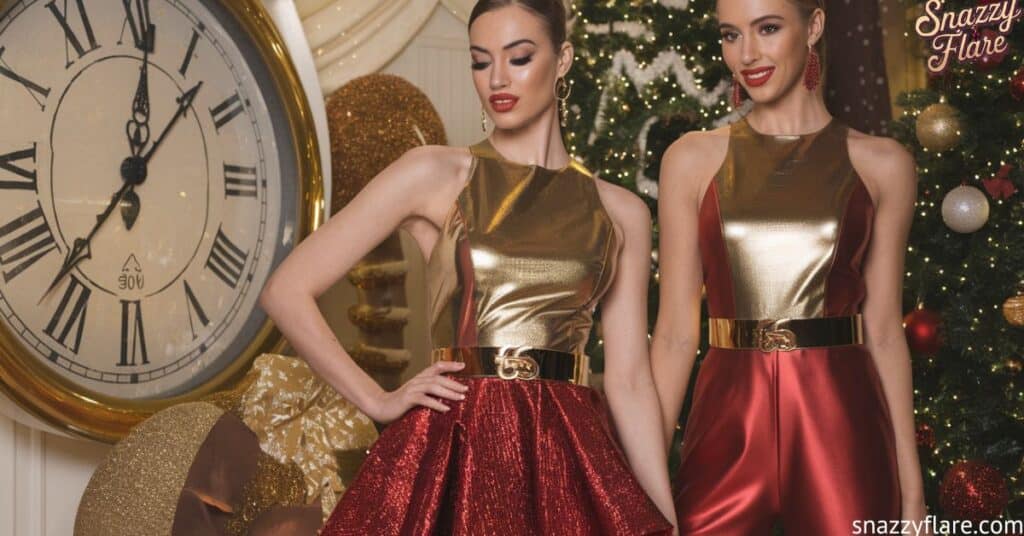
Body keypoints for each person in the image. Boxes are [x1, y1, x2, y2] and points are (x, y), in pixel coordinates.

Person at [259, 1, 676, 534]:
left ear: (564, 58)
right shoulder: (437, 172)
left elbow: (630, 382)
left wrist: (664, 518)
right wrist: (379, 400)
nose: (497, 79)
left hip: (569, 455)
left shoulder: (620, 212)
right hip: (458, 447)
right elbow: (286, 290)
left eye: (519, 57)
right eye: (481, 62)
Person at [650, 0, 927, 534]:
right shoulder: (690, 160)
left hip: (841, 426)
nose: (747, 54)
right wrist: (643, 481)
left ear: (815, 25)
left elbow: (886, 335)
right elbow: (674, 337)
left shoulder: (882, 164)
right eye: (731, 35)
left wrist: (912, 497)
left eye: (768, 28)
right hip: (725, 428)